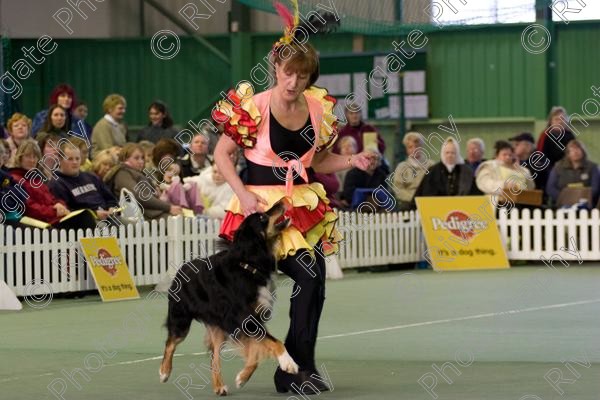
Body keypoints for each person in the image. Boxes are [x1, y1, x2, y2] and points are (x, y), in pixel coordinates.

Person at [212, 22, 376, 394]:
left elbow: (317, 160)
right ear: (276, 69)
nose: (294, 82)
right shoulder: (253, 107)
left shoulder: (318, 109)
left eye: (302, 76)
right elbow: (223, 154)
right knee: (256, 294)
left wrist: (353, 163)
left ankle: (300, 366)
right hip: (259, 211)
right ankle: (282, 361)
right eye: (288, 73)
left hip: (300, 206)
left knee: (313, 281)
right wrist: (243, 191)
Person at [103, 143, 182, 220]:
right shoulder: (122, 173)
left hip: (153, 213)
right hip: (144, 216)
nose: (141, 161)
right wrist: (168, 207)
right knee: (184, 224)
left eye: (142, 158)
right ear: (125, 159)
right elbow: (139, 196)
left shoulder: (138, 172)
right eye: (136, 158)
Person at [49, 141, 119, 220]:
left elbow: (111, 199)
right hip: (86, 224)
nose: (75, 162)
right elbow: (67, 212)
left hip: (109, 217)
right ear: (60, 160)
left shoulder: (91, 177)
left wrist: (112, 208)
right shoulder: (57, 184)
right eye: (70, 159)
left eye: (77, 158)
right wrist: (94, 214)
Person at [546, 140, 599, 208]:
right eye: (572, 149)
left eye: (578, 149)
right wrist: (565, 198)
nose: (575, 152)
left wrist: (581, 199)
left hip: (586, 205)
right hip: (562, 204)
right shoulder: (558, 167)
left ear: (583, 151)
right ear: (568, 153)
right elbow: (550, 188)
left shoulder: (593, 167)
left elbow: (595, 188)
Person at [392, 132, 434, 211]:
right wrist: (413, 198)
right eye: (410, 147)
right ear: (407, 149)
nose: (414, 150)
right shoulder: (401, 167)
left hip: (427, 202)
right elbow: (398, 189)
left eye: (417, 146)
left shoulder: (431, 165)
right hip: (408, 203)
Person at [536, 106, 575, 189]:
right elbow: (540, 154)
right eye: (557, 119)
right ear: (551, 122)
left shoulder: (570, 135)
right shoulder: (545, 135)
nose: (560, 122)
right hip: (550, 167)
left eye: (562, 119)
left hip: (567, 166)